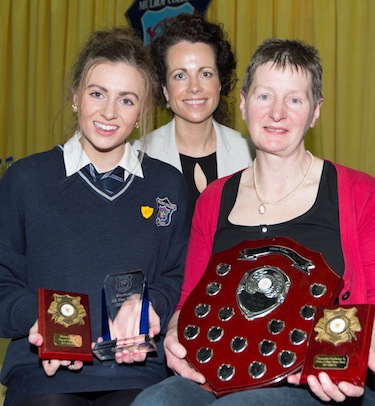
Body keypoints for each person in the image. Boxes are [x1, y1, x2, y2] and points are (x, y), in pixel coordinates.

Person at [130, 38, 375, 405]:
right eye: (264, 96)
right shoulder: (213, 199)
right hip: (217, 377)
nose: (277, 113)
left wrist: (354, 355)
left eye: (295, 99)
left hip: (315, 382)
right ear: (244, 103)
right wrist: (175, 329)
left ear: (315, 111)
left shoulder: (358, 192)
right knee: (152, 402)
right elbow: (189, 300)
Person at [0, 26, 191, 406]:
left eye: (126, 100)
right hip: (42, 371)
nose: (108, 112)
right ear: (75, 97)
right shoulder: (25, 179)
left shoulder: (168, 185)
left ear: (142, 112)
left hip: (137, 370)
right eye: (97, 93)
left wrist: (151, 307)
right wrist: (36, 322)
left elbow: (179, 276)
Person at [132, 13, 252, 210]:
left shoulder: (250, 153)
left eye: (205, 74)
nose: (194, 87)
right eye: (180, 75)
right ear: (164, 89)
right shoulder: (138, 157)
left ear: (220, 82)